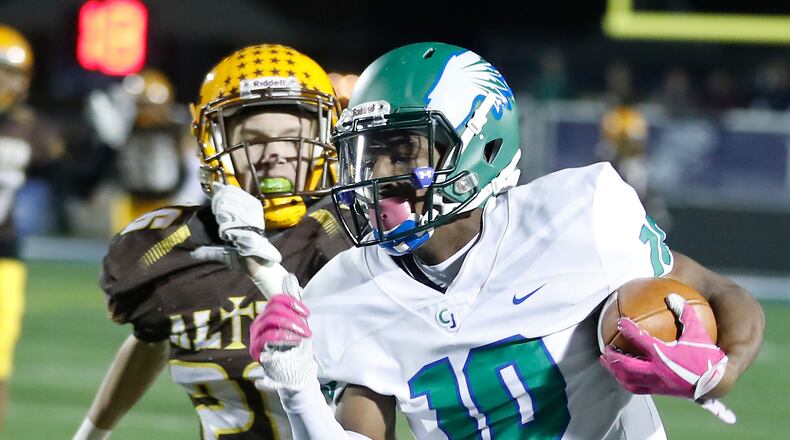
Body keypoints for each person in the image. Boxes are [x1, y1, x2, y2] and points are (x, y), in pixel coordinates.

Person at [237, 42, 765, 439]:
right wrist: (298, 390)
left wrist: (722, 372)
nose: (376, 175)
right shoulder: (343, 293)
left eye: (402, 151)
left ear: (482, 148)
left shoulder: (580, 215)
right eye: (367, 154)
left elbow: (721, 292)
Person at [73, 44, 351, 440]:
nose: (275, 155)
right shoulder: (174, 250)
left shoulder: (355, 236)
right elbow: (152, 336)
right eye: (253, 140)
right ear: (213, 144)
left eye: (292, 138)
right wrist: (90, 434)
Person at [0, 24, 64, 430]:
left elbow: (74, 181)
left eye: (13, 74)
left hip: (3, 257)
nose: (7, 83)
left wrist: (106, 147)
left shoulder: (31, 129)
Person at [86, 68, 205, 233]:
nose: (144, 111)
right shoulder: (125, 126)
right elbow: (99, 105)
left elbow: (195, 170)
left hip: (166, 202)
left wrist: (185, 202)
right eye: (139, 104)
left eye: (147, 105)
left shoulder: (177, 130)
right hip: (130, 202)